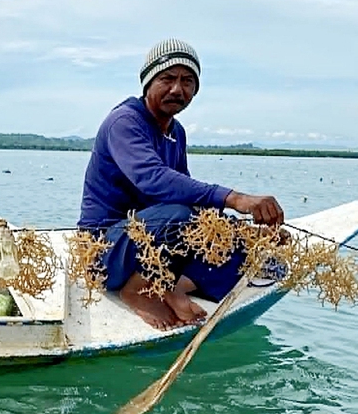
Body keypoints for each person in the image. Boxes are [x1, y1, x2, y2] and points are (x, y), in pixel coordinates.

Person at [78, 38, 284, 329]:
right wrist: (235, 199)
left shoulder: (177, 132)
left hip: (151, 242)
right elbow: (154, 180)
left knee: (247, 250)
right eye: (167, 79)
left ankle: (174, 287)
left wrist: (246, 233)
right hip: (104, 251)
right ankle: (137, 290)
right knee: (180, 216)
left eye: (187, 81)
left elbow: (188, 196)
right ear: (148, 83)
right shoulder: (124, 122)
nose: (177, 89)